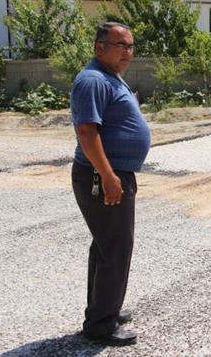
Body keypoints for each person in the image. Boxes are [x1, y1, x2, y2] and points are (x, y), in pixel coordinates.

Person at [70, 22, 150, 346]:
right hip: (101, 176)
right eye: (121, 45)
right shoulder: (91, 80)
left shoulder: (108, 77)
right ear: (99, 47)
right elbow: (87, 132)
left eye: (131, 46)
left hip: (110, 174)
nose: (127, 52)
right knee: (116, 249)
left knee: (106, 247)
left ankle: (104, 310)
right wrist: (107, 176)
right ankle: (101, 325)